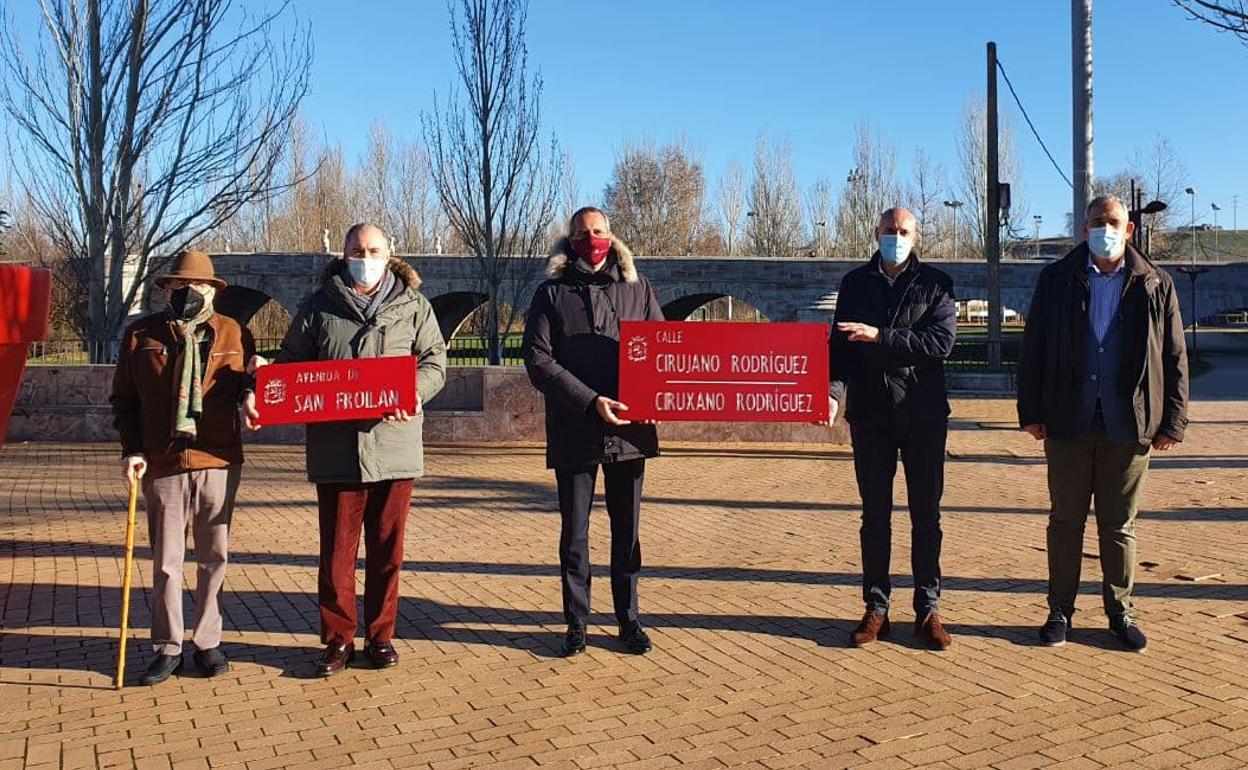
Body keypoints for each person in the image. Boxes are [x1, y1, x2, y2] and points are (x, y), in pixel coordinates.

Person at [251, 222, 446, 676]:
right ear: (343, 254)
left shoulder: (413, 307)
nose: (366, 256)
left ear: (389, 253)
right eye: (358, 249)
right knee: (337, 552)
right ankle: (338, 640)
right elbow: (292, 364)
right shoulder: (318, 307)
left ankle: (381, 636)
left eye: (374, 249)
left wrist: (415, 390)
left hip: (394, 445)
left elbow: (436, 361)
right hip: (337, 449)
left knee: (387, 550)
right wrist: (265, 380)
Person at [1018, 195, 1188, 652]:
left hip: (1129, 426)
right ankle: (1060, 611)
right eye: (1096, 221)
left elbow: (1173, 355)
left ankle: (1120, 611)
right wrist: (1030, 412)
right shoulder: (1057, 280)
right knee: (1064, 522)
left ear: (1128, 229)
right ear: (1084, 228)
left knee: (1119, 525)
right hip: (1068, 422)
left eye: (1112, 221)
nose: (1104, 229)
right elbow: (1033, 348)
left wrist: (1173, 418)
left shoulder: (1155, 283)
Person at [522, 206, 664, 657]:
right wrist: (588, 400)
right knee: (575, 534)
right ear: (571, 240)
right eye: (583, 233)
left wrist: (653, 398)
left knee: (628, 531)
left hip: (630, 430)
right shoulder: (551, 293)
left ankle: (629, 619)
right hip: (575, 427)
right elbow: (538, 359)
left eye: (599, 231)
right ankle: (576, 622)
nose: (592, 239)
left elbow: (664, 351)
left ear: (611, 236)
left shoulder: (638, 289)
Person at [110, 250, 255, 685]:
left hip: (218, 457)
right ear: (166, 290)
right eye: (179, 286)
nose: (189, 293)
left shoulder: (234, 332)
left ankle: (207, 641)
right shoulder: (142, 335)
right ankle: (167, 646)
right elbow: (125, 399)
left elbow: (250, 383)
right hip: (162, 459)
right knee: (167, 561)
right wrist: (131, 448)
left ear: (213, 290)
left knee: (215, 556)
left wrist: (254, 391)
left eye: (199, 286)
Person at [827, 207, 957, 651]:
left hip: (922, 414)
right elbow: (839, 348)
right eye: (889, 231)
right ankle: (876, 608)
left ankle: (929, 608)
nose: (895, 237)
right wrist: (831, 392)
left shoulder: (936, 283)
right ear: (876, 233)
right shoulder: (855, 284)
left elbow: (940, 343)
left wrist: (879, 336)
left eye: (903, 232)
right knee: (874, 515)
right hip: (870, 414)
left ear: (916, 236)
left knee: (927, 515)